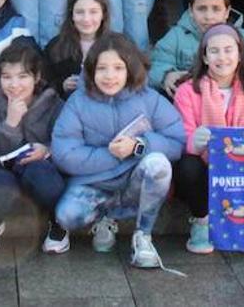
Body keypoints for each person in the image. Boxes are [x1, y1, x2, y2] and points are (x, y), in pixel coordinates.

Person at [52, 32, 185, 270]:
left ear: (129, 69)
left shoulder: (149, 99)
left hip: (134, 181)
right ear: (91, 70)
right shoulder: (78, 102)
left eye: (118, 68)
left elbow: (176, 141)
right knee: (66, 216)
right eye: (102, 68)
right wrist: (111, 155)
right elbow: (64, 154)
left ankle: (143, 236)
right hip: (95, 183)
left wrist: (138, 146)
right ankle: (104, 218)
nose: (110, 76)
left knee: (158, 164)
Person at [171, 24, 244, 254]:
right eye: (214, 51)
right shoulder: (187, 91)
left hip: (237, 165)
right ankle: (201, 221)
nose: (222, 57)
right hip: (204, 164)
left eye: (228, 50)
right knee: (188, 166)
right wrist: (196, 141)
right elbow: (181, 136)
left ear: (239, 54)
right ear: (204, 57)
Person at [0, 44, 67, 254]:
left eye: (22, 76)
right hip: (1, 171)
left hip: (37, 170)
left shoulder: (53, 103)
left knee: (45, 178)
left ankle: (57, 222)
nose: (14, 84)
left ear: (36, 77)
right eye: (7, 77)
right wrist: (10, 123)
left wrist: (47, 150)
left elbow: (68, 141)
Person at [149, 0, 244, 97]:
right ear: (191, 10)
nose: (208, 16)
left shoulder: (242, 38)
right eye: (202, 9)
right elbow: (156, 66)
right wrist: (166, 75)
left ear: (227, 12)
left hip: (235, 102)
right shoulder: (176, 36)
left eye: (216, 9)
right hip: (190, 101)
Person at [44, 0, 110, 98]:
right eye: (80, 12)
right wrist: (61, 86)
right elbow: (43, 83)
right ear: (71, 15)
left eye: (93, 12)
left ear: (103, 14)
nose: (86, 19)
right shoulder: (56, 46)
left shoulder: (117, 45)